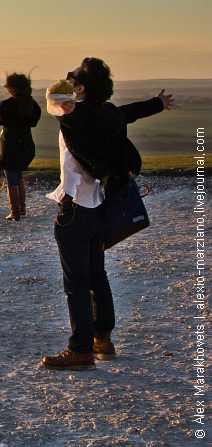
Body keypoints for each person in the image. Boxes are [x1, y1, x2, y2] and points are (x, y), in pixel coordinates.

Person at [41, 57, 174, 370]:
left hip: (75, 208)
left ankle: (80, 350)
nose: (66, 77)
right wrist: (157, 102)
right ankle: (103, 340)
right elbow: (130, 112)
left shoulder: (76, 115)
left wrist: (64, 104)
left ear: (81, 87)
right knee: (96, 275)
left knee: (75, 284)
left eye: (71, 76)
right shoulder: (108, 114)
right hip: (98, 204)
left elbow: (54, 103)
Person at [0, 72, 42, 220]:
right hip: (26, 146)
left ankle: (15, 212)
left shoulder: (7, 105)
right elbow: (33, 122)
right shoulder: (32, 105)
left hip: (10, 146)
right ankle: (22, 208)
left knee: (11, 178)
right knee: (19, 175)